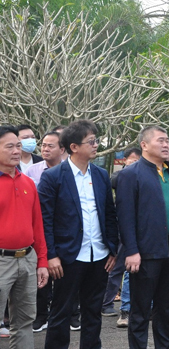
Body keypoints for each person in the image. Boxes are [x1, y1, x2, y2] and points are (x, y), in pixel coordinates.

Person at [38, 119, 119, 349]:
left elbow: (109, 214)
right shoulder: (53, 177)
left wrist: (112, 248)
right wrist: (51, 255)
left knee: (93, 312)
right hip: (67, 256)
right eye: (91, 141)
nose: (95, 145)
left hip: (99, 255)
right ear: (74, 147)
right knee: (61, 312)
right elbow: (46, 220)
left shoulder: (102, 175)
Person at [116, 126, 169, 349]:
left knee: (166, 308)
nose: (166, 145)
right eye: (161, 140)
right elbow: (125, 217)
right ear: (144, 145)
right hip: (146, 251)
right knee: (140, 309)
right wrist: (132, 250)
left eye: (167, 140)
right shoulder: (131, 174)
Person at [0, 125, 49, 348]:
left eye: (18, 146)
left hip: (27, 259)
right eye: (9, 146)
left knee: (24, 322)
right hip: (1, 261)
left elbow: (37, 226)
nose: (16, 151)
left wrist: (42, 262)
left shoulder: (28, 182)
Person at [25, 131, 64, 332]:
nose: (45, 149)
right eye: (44, 145)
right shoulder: (32, 171)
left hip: (65, 230)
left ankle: (70, 315)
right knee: (41, 273)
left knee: (66, 277)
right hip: (40, 228)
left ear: (63, 149)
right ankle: (41, 316)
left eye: (51, 146)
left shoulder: (70, 172)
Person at [102, 147, 142, 325]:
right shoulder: (120, 176)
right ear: (125, 160)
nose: (135, 163)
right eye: (132, 160)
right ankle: (106, 302)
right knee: (117, 266)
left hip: (139, 228)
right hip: (121, 226)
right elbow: (113, 182)